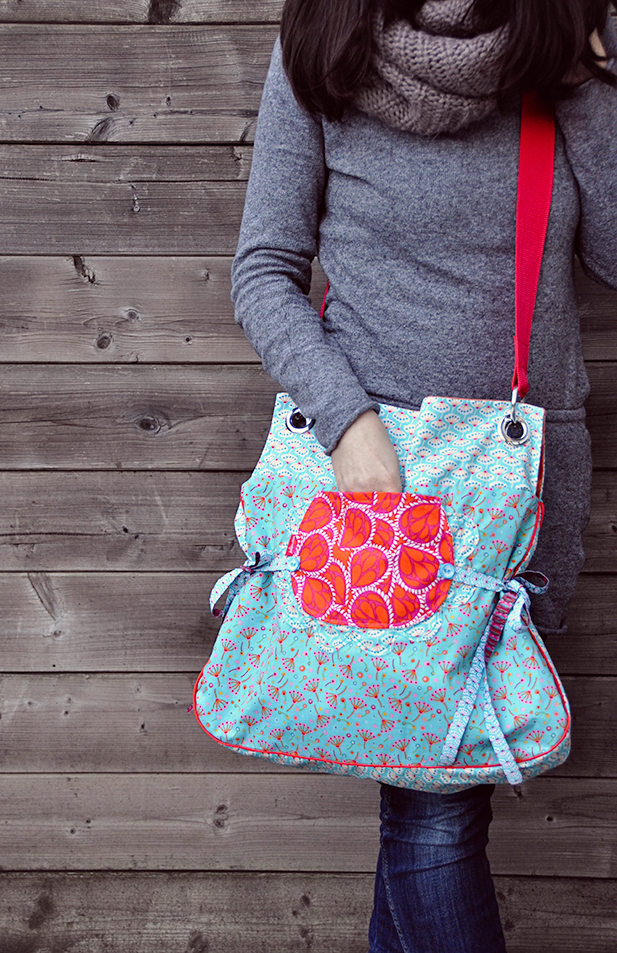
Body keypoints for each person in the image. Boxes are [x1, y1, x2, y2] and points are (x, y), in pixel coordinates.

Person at [229, 1, 617, 950]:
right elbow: (263, 270)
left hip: (517, 499)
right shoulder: (324, 43)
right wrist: (349, 425)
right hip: (379, 495)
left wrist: (589, 81)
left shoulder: (560, 44)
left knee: (425, 793)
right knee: (435, 806)